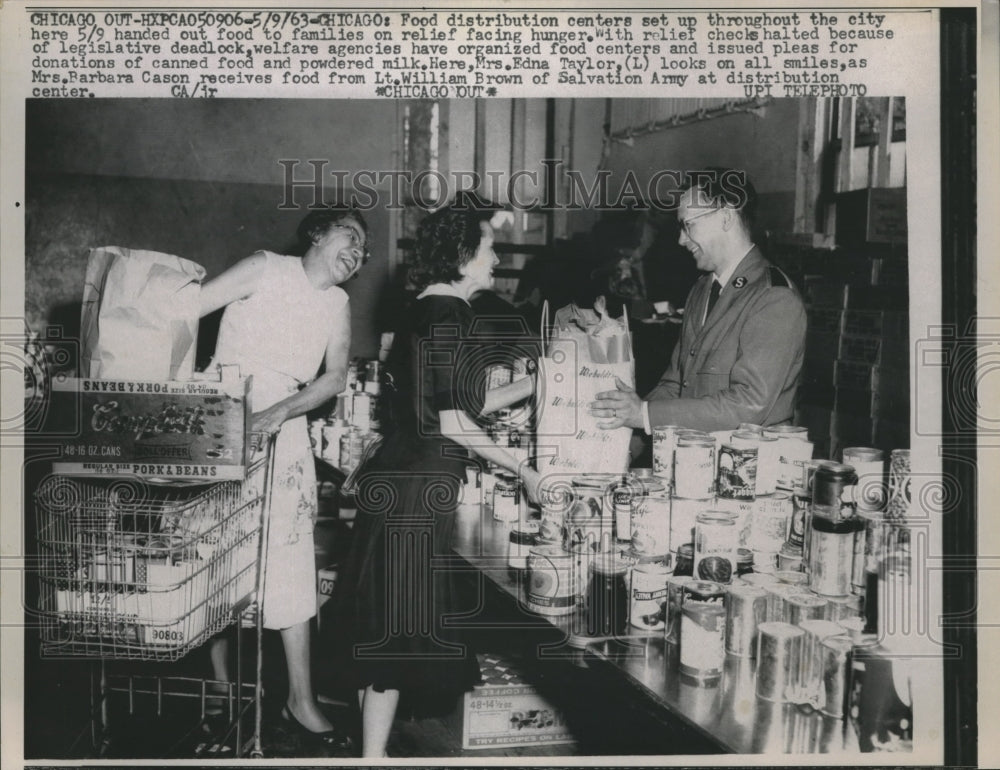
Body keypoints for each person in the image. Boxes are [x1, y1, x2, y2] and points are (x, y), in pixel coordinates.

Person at [330, 203, 543, 758]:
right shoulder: (452, 316)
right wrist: (522, 468)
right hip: (417, 492)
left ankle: (370, 753)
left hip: (402, 479)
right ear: (462, 257)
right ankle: (372, 759)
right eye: (488, 248)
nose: (495, 258)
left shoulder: (422, 311)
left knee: (381, 627)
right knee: (394, 634)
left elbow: (459, 405)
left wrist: (535, 383)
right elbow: (455, 423)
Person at [198, 206, 369, 749]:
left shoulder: (337, 302)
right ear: (317, 233)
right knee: (220, 554)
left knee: (289, 555)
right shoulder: (264, 267)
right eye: (351, 235)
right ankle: (224, 692)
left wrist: (280, 413)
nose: (358, 252)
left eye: (364, 249)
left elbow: (336, 375)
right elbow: (190, 308)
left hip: (285, 424)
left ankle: (301, 698)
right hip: (224, 413)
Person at [592, 169, 806, 433]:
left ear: (726, 217)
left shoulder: (773, 299)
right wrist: (627, 431)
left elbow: (749, 405)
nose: (681, 240)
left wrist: (645, 415)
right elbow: (675, 384)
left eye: (688, 225)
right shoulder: (701, 290)